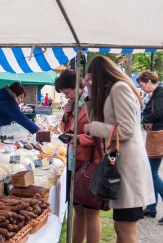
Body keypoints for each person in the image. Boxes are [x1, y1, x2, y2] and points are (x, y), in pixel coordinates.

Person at [83, 56, 155, 243]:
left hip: (129, 169)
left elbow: (127, 129)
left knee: (124, 228)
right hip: (124, 167)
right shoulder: (114, 89)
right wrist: (90, 93)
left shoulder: (119, 88)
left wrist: (95, 128)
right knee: (121, 226)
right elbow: (96, 121)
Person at [55, 69, 103, 243]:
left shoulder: (93, 103)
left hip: (90, 162)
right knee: (77, 209)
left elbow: (98, 133)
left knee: (91, 210)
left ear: (77, 86)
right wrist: (67, 114)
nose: (67, 96)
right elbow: (65, 129)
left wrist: (77, 138)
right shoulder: (74, 104)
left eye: (68, 92)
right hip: (74, 160)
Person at [0, 82, 39, 162]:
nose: (21, 101)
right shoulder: (8, 103)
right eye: (20, 97)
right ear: (15, 94)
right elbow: (23, 119)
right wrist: (38, 131)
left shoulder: (3, 98)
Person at [137, 70, 163, 223]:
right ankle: (152, 208)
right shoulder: (156, 93)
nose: (143, 88)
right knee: (151, 171)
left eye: (143, 85)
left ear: (148, 82)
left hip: (158, 135)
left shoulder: (160, 92)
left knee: (152, 172)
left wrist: (143, 119)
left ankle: (152, 207)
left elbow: (159, 112)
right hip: (156, 135)